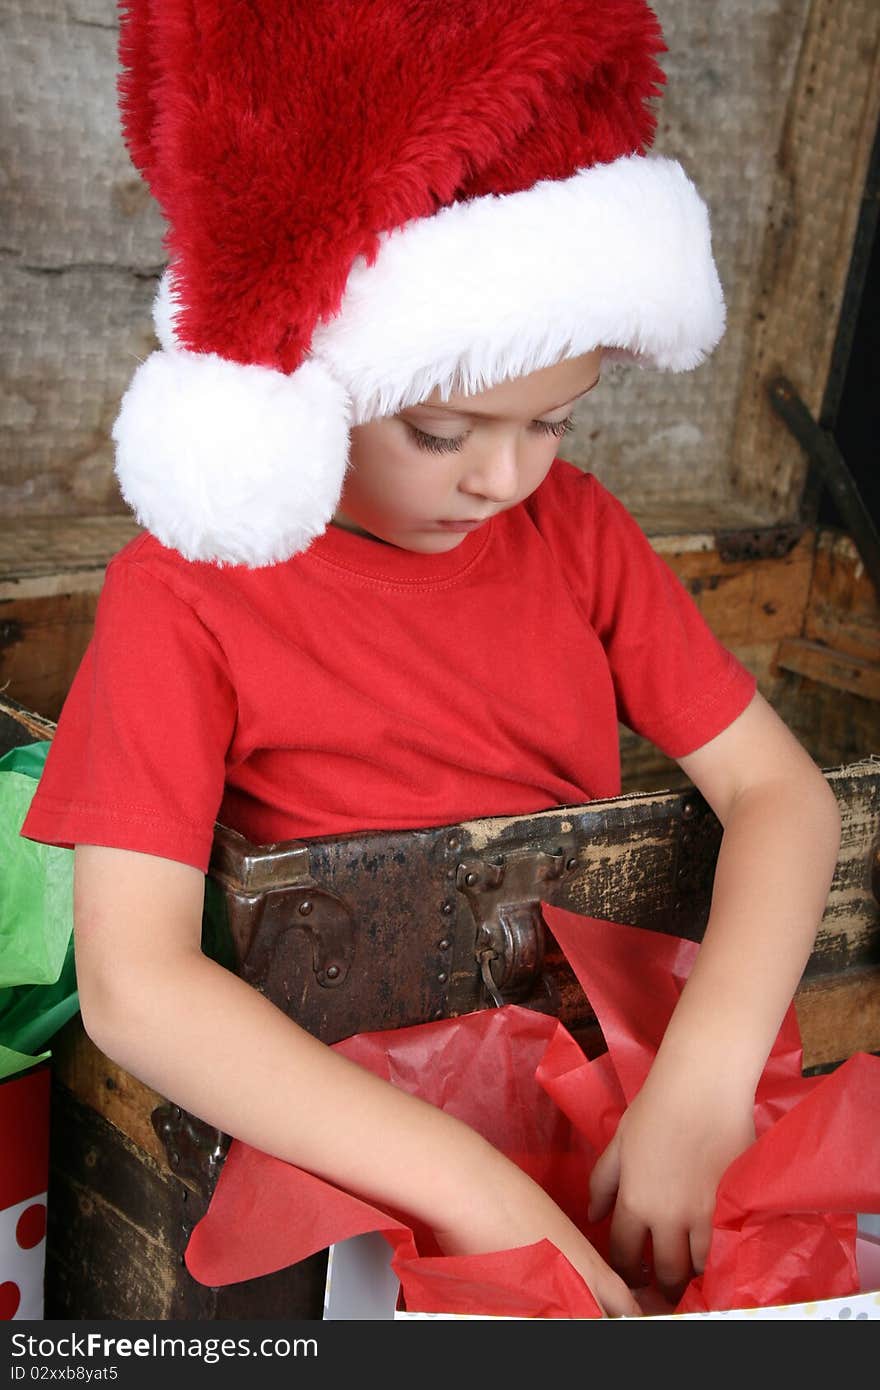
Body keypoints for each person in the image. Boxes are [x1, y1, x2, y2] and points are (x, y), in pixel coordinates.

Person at [20, 0, 841, 1317]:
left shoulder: (573, 532)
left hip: (602, 1074)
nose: (503, 475)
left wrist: (702, 1076)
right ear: (313, 370)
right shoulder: (181, 595)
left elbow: (783, 795)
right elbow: (137, 986)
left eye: (553, 423)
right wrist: (477, 1187)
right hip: (346, 1132)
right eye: (446, 425)